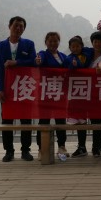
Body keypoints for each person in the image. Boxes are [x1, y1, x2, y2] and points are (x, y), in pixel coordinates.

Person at [0, 16, 36, 162]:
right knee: (7, 120)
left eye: (21, 26)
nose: (18, 28)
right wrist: (0, 89)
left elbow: (33, 62)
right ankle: (9, 151)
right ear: (9, 26)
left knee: (26, 120)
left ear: (24, 29)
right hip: (8, 89)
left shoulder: (29, 44)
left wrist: (16, 62)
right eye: (16, 25)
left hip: (24, 87)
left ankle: (25, 150)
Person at [72, 32, 101, 158]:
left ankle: (96, 147)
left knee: (98, 120)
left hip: (98, 94)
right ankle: (81, 147)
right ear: (92, 42)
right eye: (95, 41)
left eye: (100, 41)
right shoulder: (86, 53)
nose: (97, 44)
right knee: (81, 120)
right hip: (83, 91)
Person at [34, 31, 69, 161]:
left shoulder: (63, 56)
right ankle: (42, 149)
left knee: (61, 121)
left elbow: (70, 66)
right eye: (50, 41)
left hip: (60, 94)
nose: (53, 43)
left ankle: (61, 147)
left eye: (55, 41)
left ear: (59, 42)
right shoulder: (43, 54)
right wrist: (38, 61)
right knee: (44, 121)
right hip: (45, 94)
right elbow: (39, 60)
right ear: (46, 42)